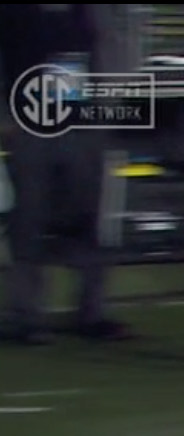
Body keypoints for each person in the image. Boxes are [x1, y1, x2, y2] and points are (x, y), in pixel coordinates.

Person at [0, 3, 134, 347]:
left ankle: (90, 313)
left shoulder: (87, 11)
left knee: (89, 220)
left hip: (81, 123)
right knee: (29, 221)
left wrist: (107, 110)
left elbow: (108, 49)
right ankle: (26, 317)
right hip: (29, 123)